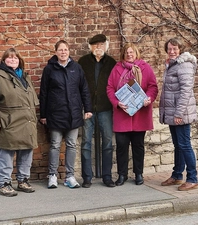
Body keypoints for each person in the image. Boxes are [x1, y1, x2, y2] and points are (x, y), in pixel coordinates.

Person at [39, 40, 93, 189]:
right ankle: (52, 175)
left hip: (74, 113)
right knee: (55, 145)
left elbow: (84, 90)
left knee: (71, 145)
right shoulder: (49, 69)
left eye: (66, 50)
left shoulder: (76, 68)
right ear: (56, 52)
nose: (63, 52)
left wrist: (88, 109)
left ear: (69, 51)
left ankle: (70, 176)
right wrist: (43, 114)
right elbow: (43, 93)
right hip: (55, 114)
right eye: (60, 50)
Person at [0, 48, 38, 197]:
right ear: (3, 61)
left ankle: (23, 180)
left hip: (27, 122)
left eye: (15, 58)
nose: (13, 60)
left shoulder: (25, 77)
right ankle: (5, 183)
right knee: (6, 154)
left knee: (26, 152)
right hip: (8, 123)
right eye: (9, 58)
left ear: (19, 61)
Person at [106, 43, 158, 186]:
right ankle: (122, 175)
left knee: (138, 145)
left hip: (140, 113)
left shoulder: (145, 68)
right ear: (123, 54)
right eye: (127, 52)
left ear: (136, 53)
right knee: (122, 145)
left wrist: (148, 98)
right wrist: (116, 103)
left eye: (132, 52)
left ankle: (139, 174)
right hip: (123, 113)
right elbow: (110, 87)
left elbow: (153, 86)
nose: (129, 55)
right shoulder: (116, 69)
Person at [159, 38, 198, 191]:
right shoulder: (171, 65)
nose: (172, 51)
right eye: (169, 49)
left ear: (180, 49)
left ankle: (192, 178)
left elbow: (186, 91)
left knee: (184, 145)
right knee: (178, 145)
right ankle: (177, 175)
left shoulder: (184, 65)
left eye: (175, 49)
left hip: (180, 113)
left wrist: (179, 113)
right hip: (172, 112)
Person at [78, 34, 117, 188]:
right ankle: (87, 177)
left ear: (106, 46)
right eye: (95, 45)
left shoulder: (112, 63)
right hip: (88, 108)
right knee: (86, 142)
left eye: (101, 44)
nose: (98, 47)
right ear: (90, 47)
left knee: (107, 142)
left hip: (106, 108)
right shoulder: (83, 62)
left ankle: (107, 176)